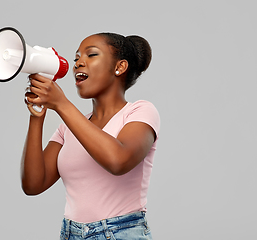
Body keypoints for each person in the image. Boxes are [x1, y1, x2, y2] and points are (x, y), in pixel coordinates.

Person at [21, 32, 160, 240]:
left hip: (121, 233)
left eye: (91, 55)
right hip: (71, 233)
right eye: (76, 58)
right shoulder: (69, 127)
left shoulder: (141, 112)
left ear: (120, 67)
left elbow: (117, 160)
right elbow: (33, 184)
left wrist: (61, 104)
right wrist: (37, 116)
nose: (78, 63)